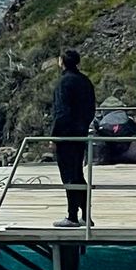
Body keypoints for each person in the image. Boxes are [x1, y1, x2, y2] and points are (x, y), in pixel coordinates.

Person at [51, 48, 97, 226]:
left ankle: (72, 216)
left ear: (62, 62)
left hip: (67, 136)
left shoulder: (64, 83)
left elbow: (61, 112)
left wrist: (55, 136)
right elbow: (90, 109)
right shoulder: (85, 81)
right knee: (78, 174)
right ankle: (86, 215)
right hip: (81, 133)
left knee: (69, 175)